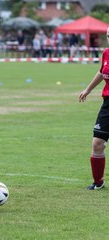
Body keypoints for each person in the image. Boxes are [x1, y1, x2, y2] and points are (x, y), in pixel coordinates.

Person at [78, 27, 109, 190]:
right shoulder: (106, 53)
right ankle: (98, 182)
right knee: (98, 142)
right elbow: (101, 72)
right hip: (108, 104)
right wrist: (88, 90)